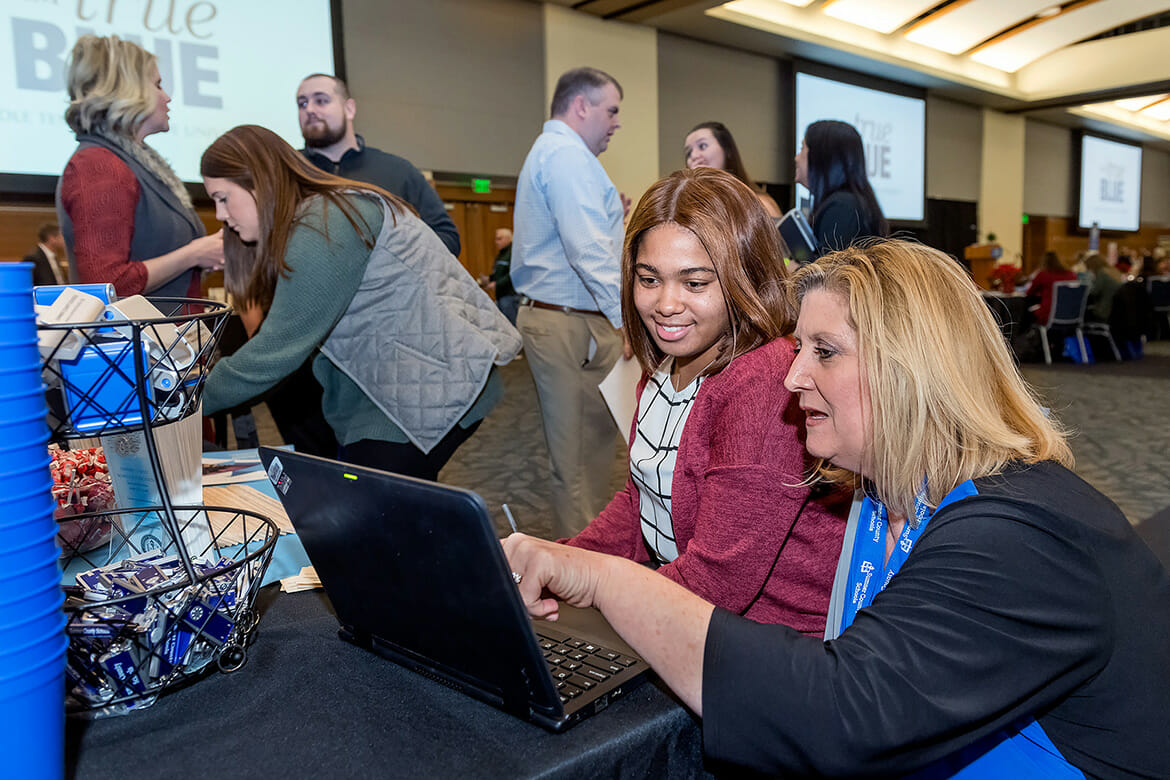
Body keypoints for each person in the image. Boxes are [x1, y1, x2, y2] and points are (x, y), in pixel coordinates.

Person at [503, 239, 1170, 778]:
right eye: (799, 349)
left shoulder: (1019, 530)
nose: (793, 377)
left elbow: (840, 718)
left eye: (824, 352)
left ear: (908, 370)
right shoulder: (883, 496)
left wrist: (604, 578)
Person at [562, 168, 847, 631]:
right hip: (686, 604)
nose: (666, 304)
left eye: (695, 284)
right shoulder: (668, 362)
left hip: (773, 638)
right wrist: (560, 557)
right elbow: (641, 507)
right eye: (648, 279)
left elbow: (719, 583)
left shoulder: (764, 380)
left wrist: (587, 580)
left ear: (743, 279)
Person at [199, 125, 521, 481]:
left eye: (223, 197)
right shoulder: (327, 211)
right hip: (411, 387)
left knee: (372, 521)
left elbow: (276, 351)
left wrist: (182, 403)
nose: (219, 214)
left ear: (260, 182)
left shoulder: (322, 225)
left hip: (420, 394)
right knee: (390, 518)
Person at [510, 66, 628, 538]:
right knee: (579, 465)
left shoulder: (563, 156)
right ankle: (583, 577)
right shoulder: (565, 156)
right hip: (572, 324)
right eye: (612, 110)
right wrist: (629, 322)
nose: (617, 123)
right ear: (581, 106)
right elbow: (588, 250)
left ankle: (592, 561)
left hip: (573, 320)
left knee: (592, 456)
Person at [56, 35, 223, 298]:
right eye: (158, 85)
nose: (167, 97)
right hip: (136, 338)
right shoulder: (99, 165)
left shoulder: (131, 161)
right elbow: (106, 283)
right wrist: (193, 254)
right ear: (127, 91)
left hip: (164, 335)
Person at [296, 73, 460, 256]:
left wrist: (393, 261)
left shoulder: (399, 172)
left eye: (321, 100)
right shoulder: (285, 171)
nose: (309, 109)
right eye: (302, 103)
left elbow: (448, 238)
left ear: (349, 109)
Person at [794, 119, 887, 255]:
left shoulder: (842, 207)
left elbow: (828, 272)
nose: (796, 158)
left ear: (822, 158)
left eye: (802, 149)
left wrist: (796, 268)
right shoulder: (848, 202)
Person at [683, 122, 782, 218]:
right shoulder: (687, 209)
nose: (694, 156)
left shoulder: (761, 205)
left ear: (727, 150)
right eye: (689, 153)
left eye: (702, 146)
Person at [1024, 250, 1077, 325]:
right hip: (1070, 314)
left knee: (1025, 309)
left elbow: (1030, 293)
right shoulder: (1072, 275)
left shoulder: (1043, 275)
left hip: (1048, 314)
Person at [481, 227, 518, 326]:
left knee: (511, 326)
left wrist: (497, 284)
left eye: (499, 239)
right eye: (496, 239)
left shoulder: (513, 254)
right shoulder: (502, 254)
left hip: (510, 296)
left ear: (509, 239)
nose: (496, 242)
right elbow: (500, 272)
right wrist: (490, 278)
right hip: (501, 296)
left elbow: (513, 274)